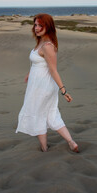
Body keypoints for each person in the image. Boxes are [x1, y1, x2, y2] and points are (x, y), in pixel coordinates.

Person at [16, 13, 79, 153]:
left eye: (40, 25)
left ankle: (45, 148)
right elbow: (38, 63)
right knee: (50, 114)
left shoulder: (47, 46)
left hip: (43, 87)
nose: (36, 28)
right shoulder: (41, 41)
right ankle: (71, 142)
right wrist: (29, 74)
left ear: (48, 27)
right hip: (37, 84)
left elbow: (53, 70)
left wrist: (64, 91)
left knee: (39, 114)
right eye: (35, 24)